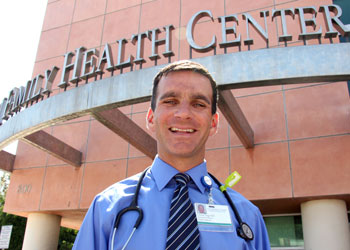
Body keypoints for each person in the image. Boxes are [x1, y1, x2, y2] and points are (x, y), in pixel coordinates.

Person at [72, 60, 271, 250]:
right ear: (151, 118)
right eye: (170, 101)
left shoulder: (247, 217)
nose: (183, 114)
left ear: (213, 123)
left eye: (199, 104)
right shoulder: (106, 209)